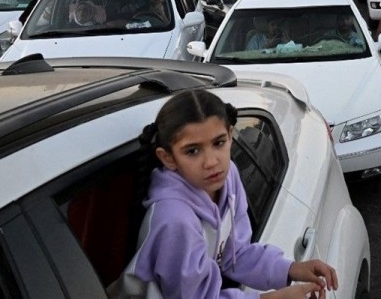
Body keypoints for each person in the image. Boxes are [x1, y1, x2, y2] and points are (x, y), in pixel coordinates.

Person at [108, 89, 337, 298]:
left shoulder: (227, 178)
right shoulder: (174, 219)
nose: (211, 162)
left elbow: (235, 254)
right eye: (193, 151)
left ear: (230, 135)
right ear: (168, 158)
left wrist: (291, 269)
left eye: (218, 143)